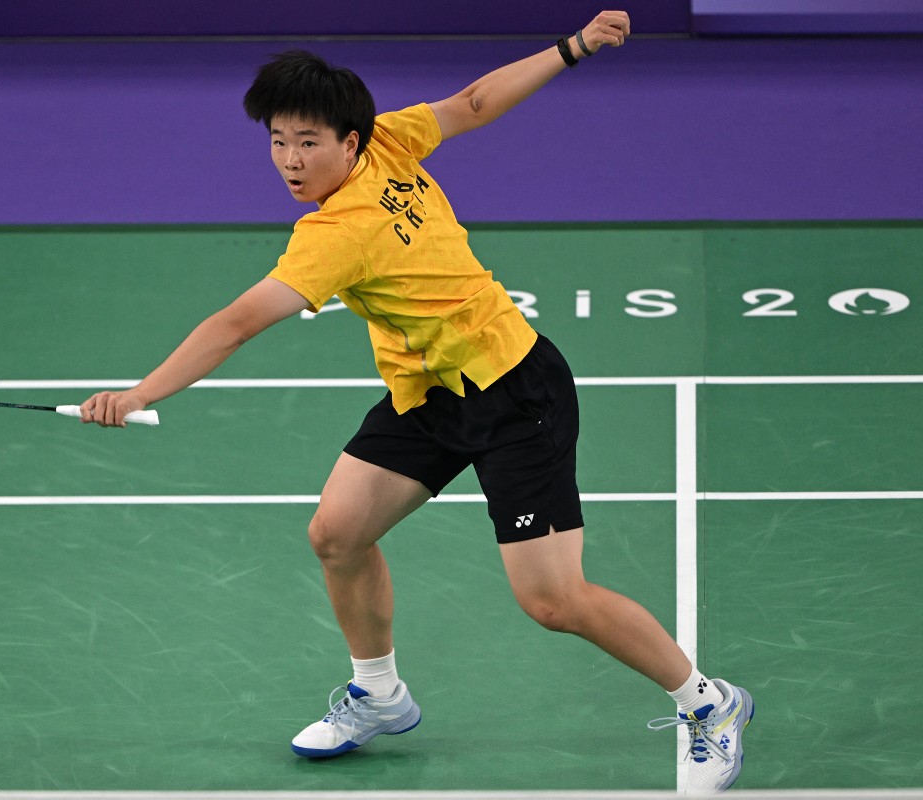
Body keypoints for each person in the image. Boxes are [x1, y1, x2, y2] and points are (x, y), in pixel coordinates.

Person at [80, 11, 753, 793]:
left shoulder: (336, 230)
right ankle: (380, 693)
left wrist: (137, 396)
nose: (291, 162)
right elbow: (470, 104)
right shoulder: (387, 142)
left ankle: (710, 704)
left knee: (553, 598)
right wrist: (572, 49)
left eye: (308, 143)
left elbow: (235, 324)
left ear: (351, 141)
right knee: (337, 534)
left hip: (513, 390)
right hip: (429, 391)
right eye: (278, 141)